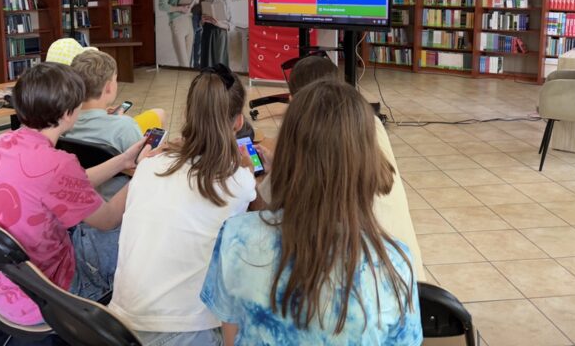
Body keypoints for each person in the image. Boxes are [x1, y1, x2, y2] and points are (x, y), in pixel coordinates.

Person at [201, 80, 422, 345]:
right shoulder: (393, 266)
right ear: (366, 161)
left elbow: (231, 337)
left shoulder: (236, 237)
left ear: (286, 150)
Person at [0, 62, 151, 326]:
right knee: (138, 225)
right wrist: (144, 171)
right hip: (51, 296)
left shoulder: (1, 143)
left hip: (2, 288)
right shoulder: (57, 164)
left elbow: (70, 185)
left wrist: (123, 161)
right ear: (67, 113)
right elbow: (109, 219)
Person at [109, 64, 257, 345]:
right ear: (238, 123)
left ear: (188, 113)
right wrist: (245, 167)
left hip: (118, 323)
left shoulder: (150, 165)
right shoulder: (239, 180)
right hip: (184, 331)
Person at [275, 54, 425, 279]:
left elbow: (279, 202)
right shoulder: (368, 123)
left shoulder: (314, 133)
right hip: (408, 280)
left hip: (369, 279)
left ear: (293, 99)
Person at [66, 50, 165, 152]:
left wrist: (104, 114)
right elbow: (140, 159)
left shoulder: (64, 122)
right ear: (108, 87)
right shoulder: (125, 127)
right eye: (115, 80)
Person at [200, 0, 232, 69]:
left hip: (220, 34)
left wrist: (219, 24)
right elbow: (202, 23)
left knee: (219, 64)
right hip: (206, 34)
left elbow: (232, 24)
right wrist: (202, 21)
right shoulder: (207, 0)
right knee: (206, 63)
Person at [188, 0, 205, 69]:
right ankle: (188, 67)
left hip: (200, 16)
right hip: (191, 16)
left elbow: (202, 3)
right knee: (191, 44)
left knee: (198, 45)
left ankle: (196, 67)